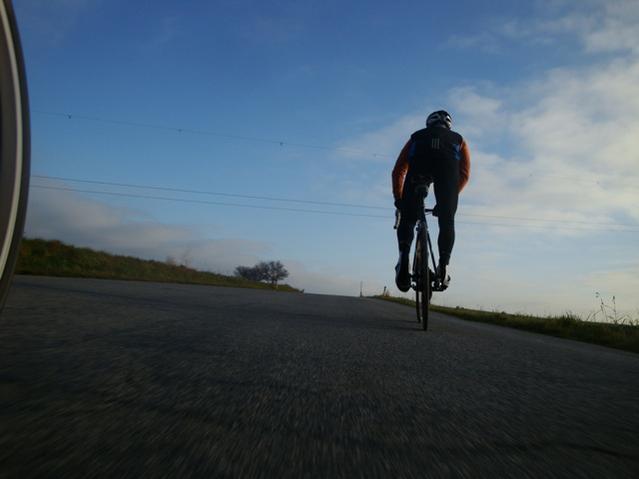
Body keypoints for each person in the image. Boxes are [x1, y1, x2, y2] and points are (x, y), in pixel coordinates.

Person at [392, 110, 470, 292]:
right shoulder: (459, 140)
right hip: (447, 173)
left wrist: (399, 199)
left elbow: (399, 170)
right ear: (448, 126)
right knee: (447, 221)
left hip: (418, 170)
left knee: (408, 218)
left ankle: (404, 257)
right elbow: (464, 174)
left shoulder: (416, 137)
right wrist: (447, 201)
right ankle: (443, 266)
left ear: (429, 124)